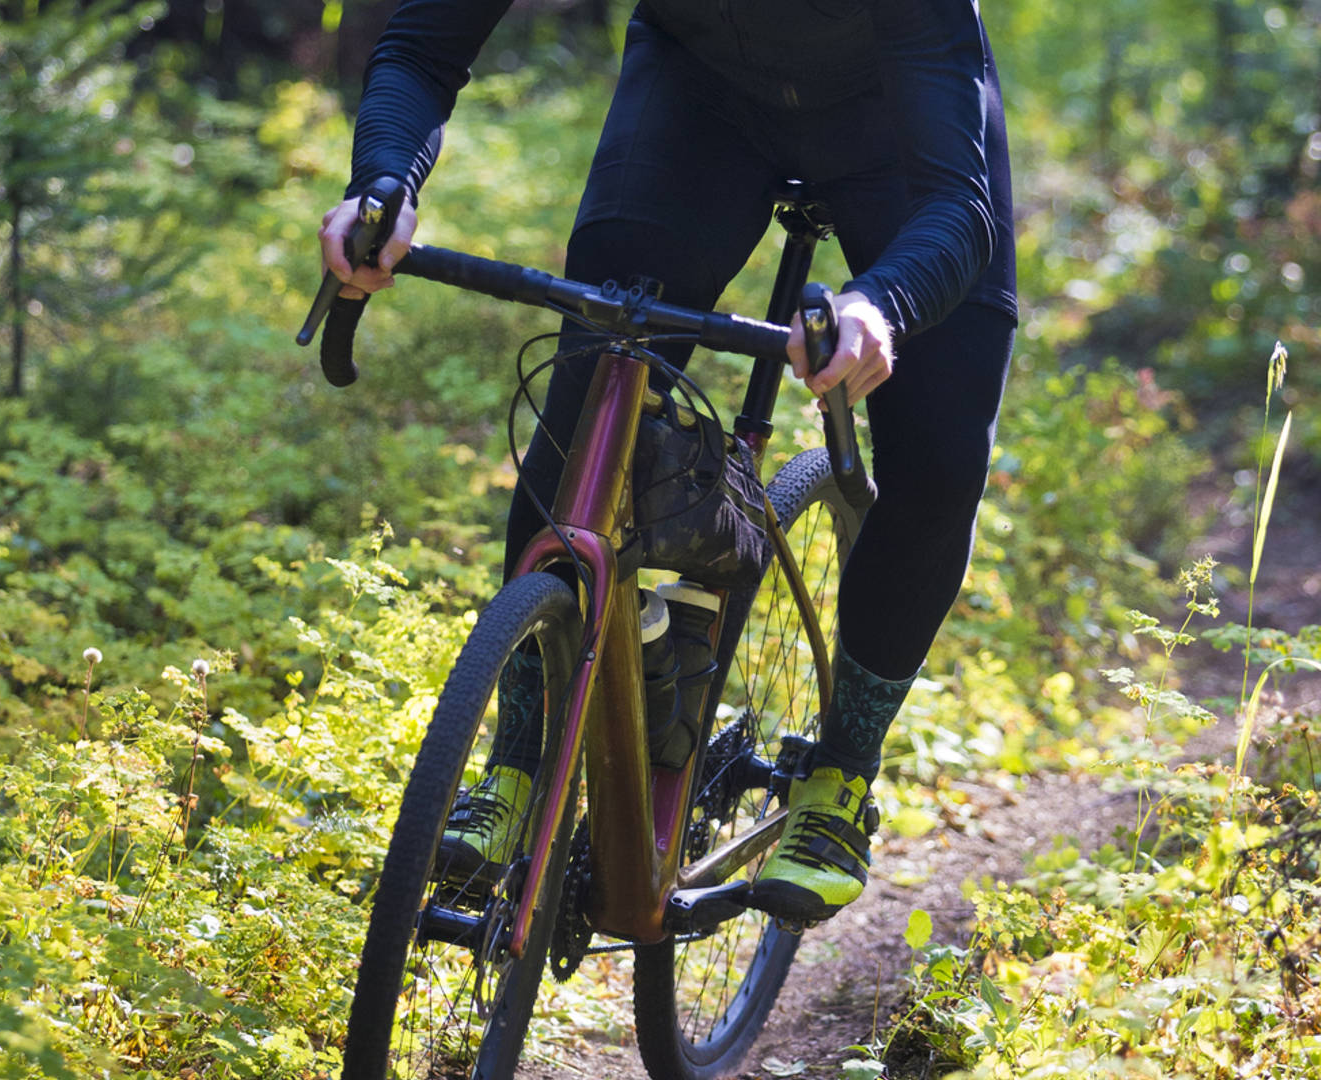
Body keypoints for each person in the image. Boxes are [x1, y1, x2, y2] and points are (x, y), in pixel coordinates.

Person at [318, 0, 1017, 925]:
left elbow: (958, 206)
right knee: (587, 385)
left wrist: (879, 305)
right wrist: (382, 184)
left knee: (936, 452)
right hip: (701, 96)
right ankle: (518, 767)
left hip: (904, 135)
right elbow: (421, 44)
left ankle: (841, 773)